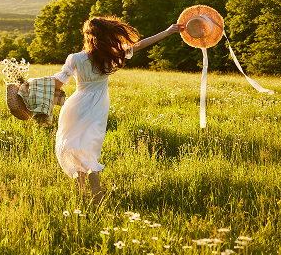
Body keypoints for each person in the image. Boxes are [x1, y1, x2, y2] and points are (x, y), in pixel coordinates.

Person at [52, 16, 184, 202]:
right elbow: (139, 45)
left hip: (76, 105)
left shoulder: (75, 59)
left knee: (73, 146)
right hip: (98, 107)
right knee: (90, 146)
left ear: (88, 36)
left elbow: (58, 83)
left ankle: (84, 193)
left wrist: (31, 87)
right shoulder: (111, 55)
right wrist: (167, 31)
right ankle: (94, 190)